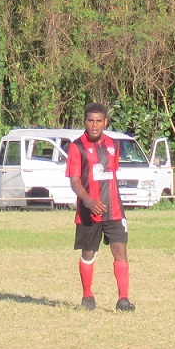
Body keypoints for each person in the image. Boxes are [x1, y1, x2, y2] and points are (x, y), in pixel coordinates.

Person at [66, 102, 134, 312]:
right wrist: (88, 201)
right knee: (88, 254)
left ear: (106, 122)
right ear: (84, 122)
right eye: (90, 121)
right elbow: (75, 181)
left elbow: (110, 174)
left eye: (98, 121)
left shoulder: (114, 145)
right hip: (89, 210)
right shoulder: (76, 146)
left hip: (114, 209)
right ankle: (87, 295)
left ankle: (123, 299)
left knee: (120, 251)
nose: (94, 125)